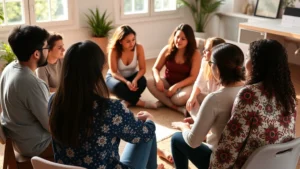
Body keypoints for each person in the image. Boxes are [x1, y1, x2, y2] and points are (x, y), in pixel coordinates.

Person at [49, 40, 164, 169]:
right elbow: (143, 135)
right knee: (147, 129)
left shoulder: (54, 101)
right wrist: (150, 120)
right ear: (97, 72)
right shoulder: (111, 108)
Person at [209, 39, 297, 169]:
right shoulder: (288, 96)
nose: (246, 63)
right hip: (277, 165)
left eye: (249, 57)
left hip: (248, 165)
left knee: (180, 141)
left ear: (258, 63)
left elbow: (230, 145)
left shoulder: (249, 95)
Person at [171, 43, 245, 169]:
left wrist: (183, 127)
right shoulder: (250, 92)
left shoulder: (215, 98)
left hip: (220, 161)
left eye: (210, 64)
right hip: (244, 160)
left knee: (177, 138)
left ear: (217, 68)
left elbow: (193, 142)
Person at [0, 25, 52, 157]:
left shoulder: (10, 68)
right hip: (36, 146)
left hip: (18, 138)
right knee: (82, 140)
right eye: (46, 47)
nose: (48, 51)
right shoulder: (31, 83)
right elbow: (51, 127)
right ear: (36, 54)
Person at [147, 23, 201, 115]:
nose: (178, 41)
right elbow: (155, 68)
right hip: (168, 81)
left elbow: (193, 77)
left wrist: (176, 87)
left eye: (183, 39)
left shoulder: (195, 54)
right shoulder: (167, 49)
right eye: (177, 37)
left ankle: (165, 101)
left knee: (178, 100)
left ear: (189, 40)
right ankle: (176, 108)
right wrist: (158, 79)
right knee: (149, 82)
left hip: (186, 86)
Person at [105, 25, 156, 109]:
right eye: (128, 41)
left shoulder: (139, 47)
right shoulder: (113, 50)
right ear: (120, 41)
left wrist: (135, 80)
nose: (132, 43)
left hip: (132, 76)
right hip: (116, 77)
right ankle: (140, 102)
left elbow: (143, 69)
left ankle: (127, 101)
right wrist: (126, 82)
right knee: (118, 87)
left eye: (133, 39)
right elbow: (114, 72)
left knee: (142, 82)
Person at [186, 37, 225, 122]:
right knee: (192, 98)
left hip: (220, 106)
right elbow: (199, 82)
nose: (203, 52)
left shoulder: (223, 69)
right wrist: (192, 98)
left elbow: (220, 99)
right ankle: (198, 120)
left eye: (207, 50)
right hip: (211, 99)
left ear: (215, 52)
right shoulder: (205, 62)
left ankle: (199, 121)